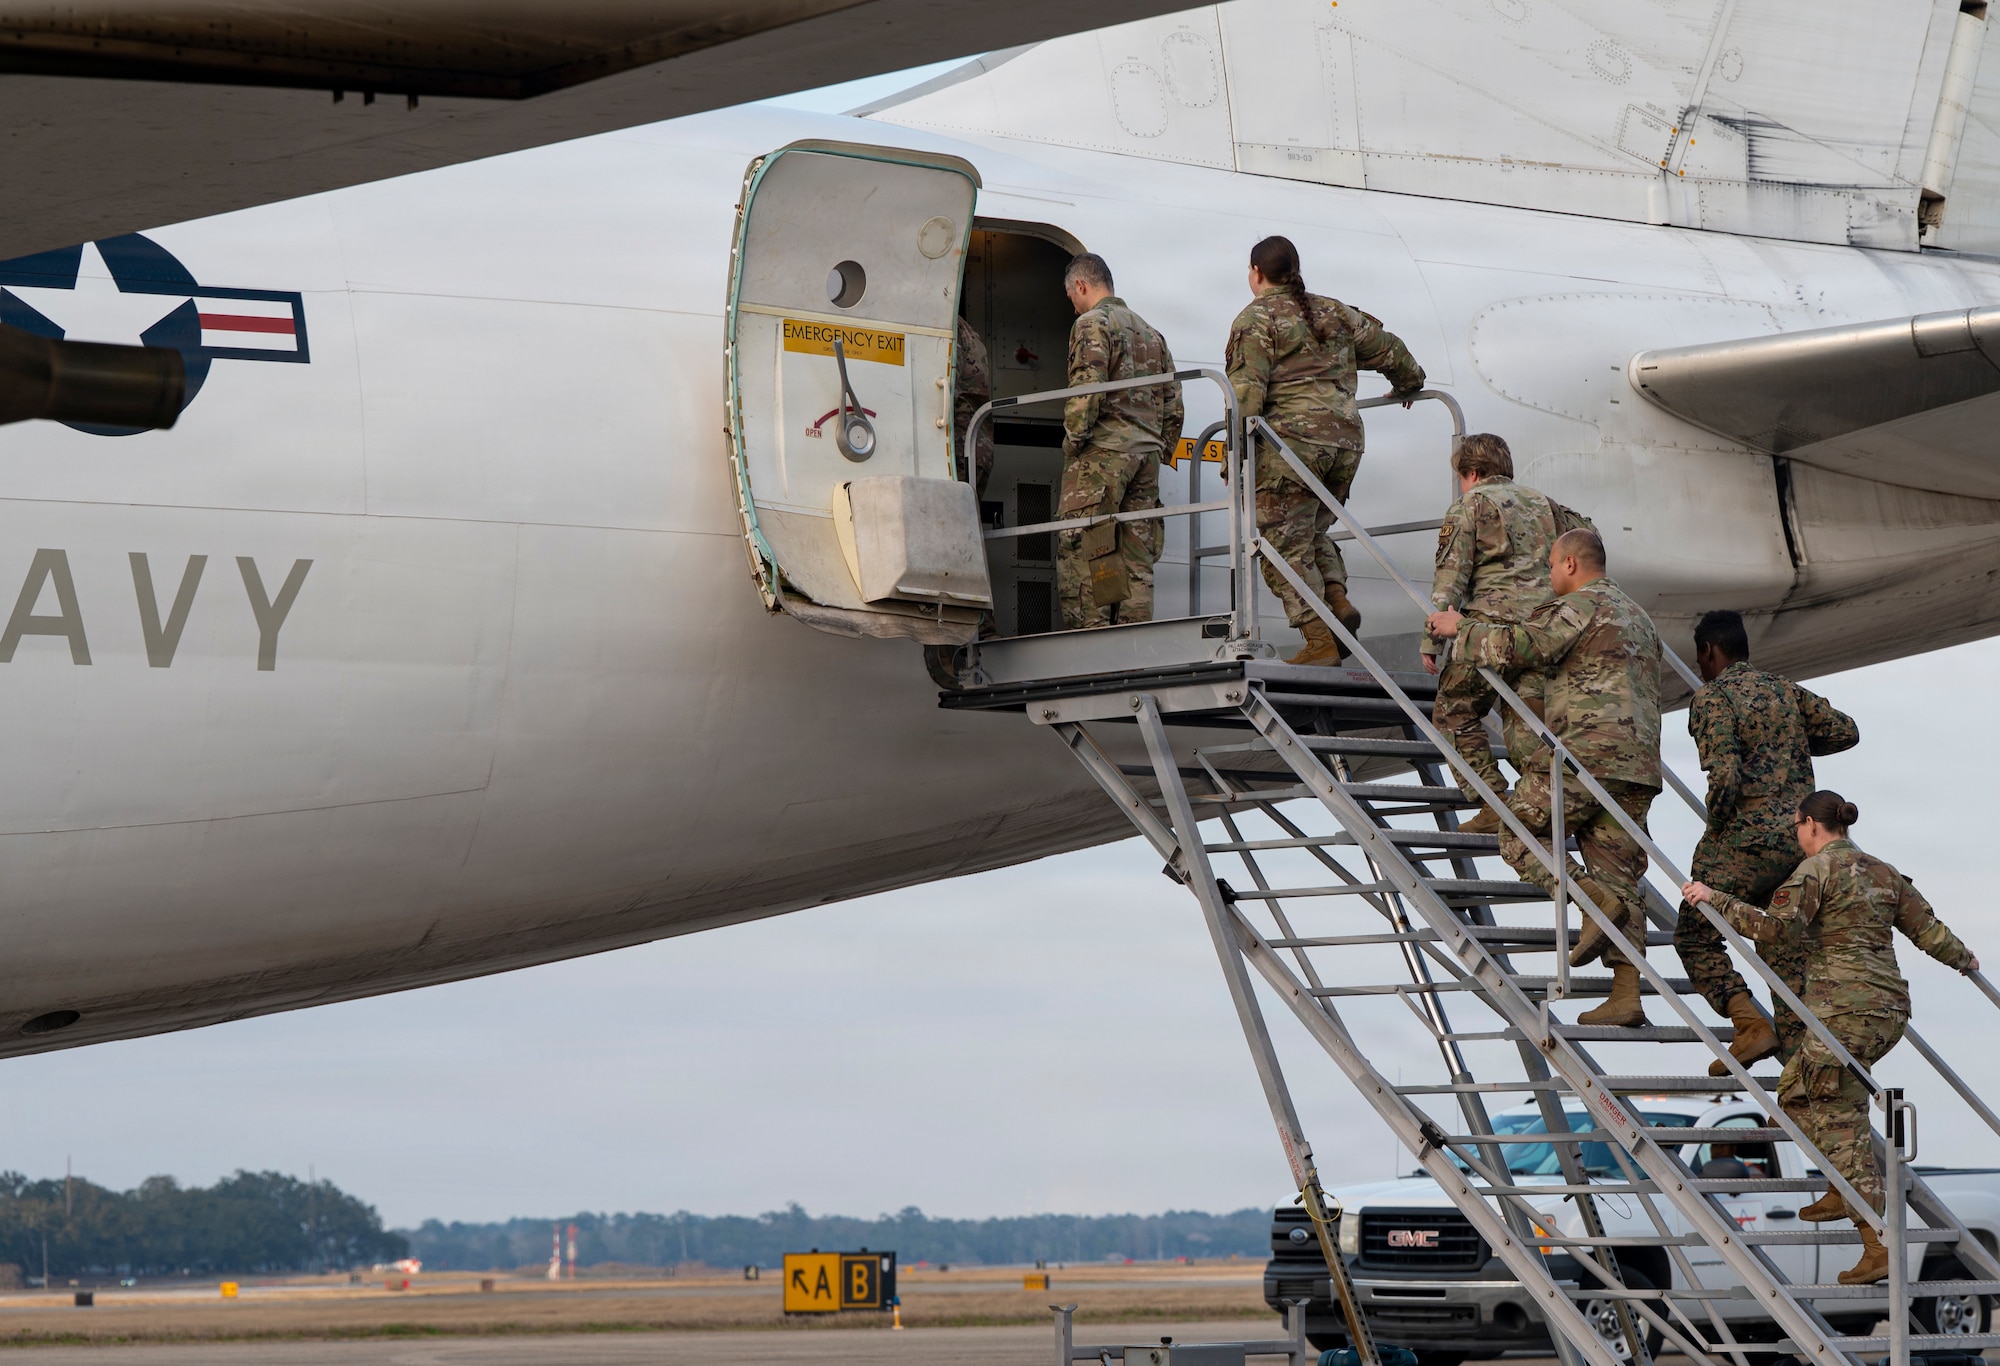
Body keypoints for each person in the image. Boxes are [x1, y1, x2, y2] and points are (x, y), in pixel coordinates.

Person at [1683, 791, 1978, 1286]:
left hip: (1844, 1011)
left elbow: (1774, 929)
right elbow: (1928, 931)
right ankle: (1844, 1187)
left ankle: (1875, 1241)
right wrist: (1964, 959)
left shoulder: (1814, 873)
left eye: (1797, 827)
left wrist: (1716, 899)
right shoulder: (1884, 872)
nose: (1796, 836)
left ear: (1810, 825)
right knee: (1797, 1090)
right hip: (1888, 1012)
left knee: (1836, 1114)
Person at [1429, 528, 1661, 1026]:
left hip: (1585, 757)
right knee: (1620, 877)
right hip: (1636, 766)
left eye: (1552, 567)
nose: (1550, 577)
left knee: (1516, 832)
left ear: (1572, 565)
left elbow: (1530, 644)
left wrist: (1459, 629)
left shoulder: (1582, 605)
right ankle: (1626, 996)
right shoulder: (1638, 616)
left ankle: (1585, 898)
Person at [1225, 235, 1425, 665]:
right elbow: (1393, 352)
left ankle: (1319, 642)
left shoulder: (1255, 320)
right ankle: (1337, 601)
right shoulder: (1335, 311)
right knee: (1311, 533)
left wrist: (1234, 460)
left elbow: (1245, 397)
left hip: (1292, 447)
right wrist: (1408, 385)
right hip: (1345, 445)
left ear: (1256, 273)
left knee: (1278, 546)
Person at [1680, 610, 1860, 1077]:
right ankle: (1802, 1069)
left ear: (1708, 652)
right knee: (1783, 950)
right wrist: (1791, 742)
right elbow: (1845, 730)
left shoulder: (1713, 697)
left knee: (1695, 932)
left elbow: (1725, 774)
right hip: (1802, 840)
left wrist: (1718, 827)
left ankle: (1748, 1024)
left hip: (1746, 839)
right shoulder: (1785, 689)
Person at [1421, 433, 1593, 833]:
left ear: (1474, 473)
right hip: (1541, 630)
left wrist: (1432, 639)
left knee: (1453, 711)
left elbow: (1451, 578)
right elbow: (1589, 537)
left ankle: (1493, 801)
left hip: (1488, 630)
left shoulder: (1471, 504)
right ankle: (1548, 808)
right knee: (1526, 727)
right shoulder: (1547, 505)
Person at [1057, 253, 1183, 630]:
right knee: (1136, 558)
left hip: (1104, 455)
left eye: (1071, 296)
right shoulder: (1151, 333)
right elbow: (1174, 406)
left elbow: (1087, 390)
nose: (1073, 305)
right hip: (1146, 458)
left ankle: (1092, 639)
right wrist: (1161, 448)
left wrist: (1073, 443)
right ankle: (1133, 637)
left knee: (1088, 546)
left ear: (1081, 285)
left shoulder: (1091, 324)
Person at [954, 316, 994, 493]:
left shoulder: (949, 329)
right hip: (974, 448)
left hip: (959, 449)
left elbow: (944, 393)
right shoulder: (968, 332)